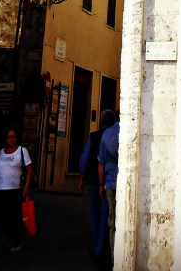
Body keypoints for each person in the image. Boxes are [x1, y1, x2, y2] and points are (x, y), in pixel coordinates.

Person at [78, 109, 115, 261]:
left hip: (93, 180)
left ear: (100, 122)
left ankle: (95, 246)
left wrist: (82, 178)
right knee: (105, 214)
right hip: (106, 180)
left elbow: (83, 161)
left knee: (94, 214)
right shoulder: (115, 135)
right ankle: (102, 248)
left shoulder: (93, 136)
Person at [97, 115, 120, 265]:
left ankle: (114, 260)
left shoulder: (107, 134)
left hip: (111, 183)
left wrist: (101, 184)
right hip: (123, 182)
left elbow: (101, 163)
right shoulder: (121, 132)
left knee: (113, 222)